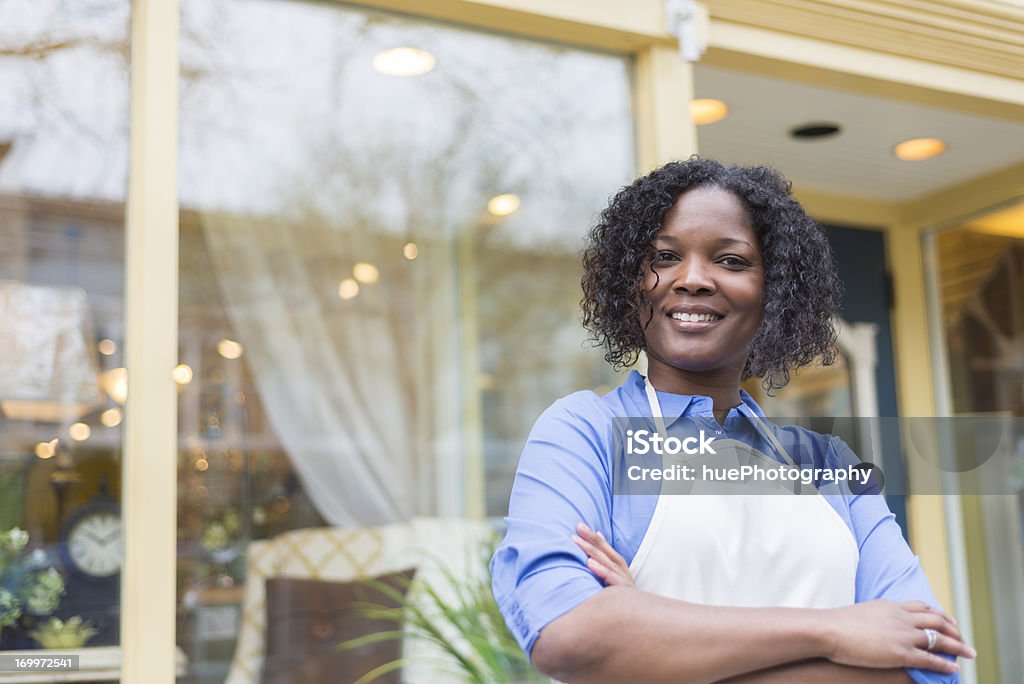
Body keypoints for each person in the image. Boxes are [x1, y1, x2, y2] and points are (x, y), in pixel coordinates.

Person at [489, 158, 975, 683]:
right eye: (666, 257)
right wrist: (833, 631)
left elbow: (933, 665)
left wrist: (651, 640)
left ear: (776, 290)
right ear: (631, 284)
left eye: (731, 260)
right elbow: (568, 635)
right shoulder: (583, 432)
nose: (693, 279)